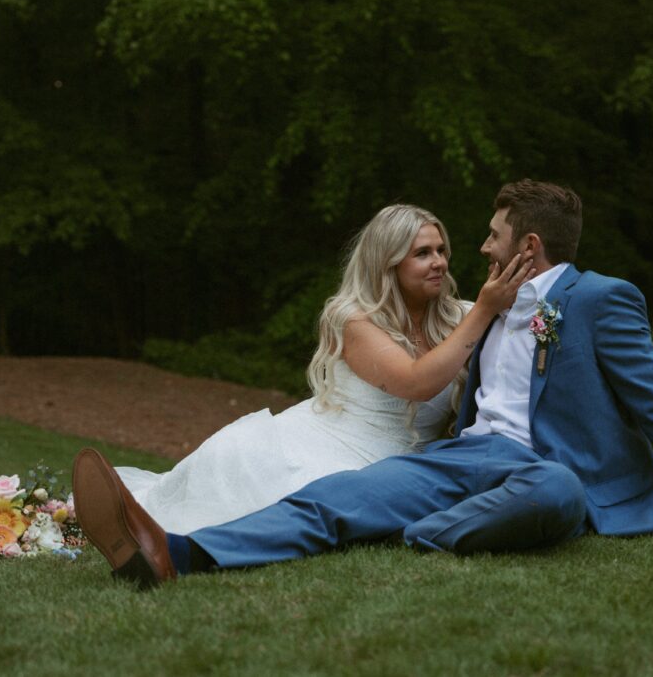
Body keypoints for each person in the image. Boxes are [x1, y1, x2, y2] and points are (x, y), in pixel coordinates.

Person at [72, 179, 653, 589]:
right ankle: (176, 553)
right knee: (333, 498)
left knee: (558, 487)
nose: (480, 248)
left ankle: (423, 535)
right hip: (461, 458)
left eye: (493, 236)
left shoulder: (601, 299)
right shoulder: (482, 309)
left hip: (545, 471)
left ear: (528, 247)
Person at [95, 204, 533, 540]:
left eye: (441, 251)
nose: (439, 262)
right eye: (422, 254)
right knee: (243, 504)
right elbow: (417, 383)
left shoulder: (460, 316)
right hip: (323, 445)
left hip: (404, 467)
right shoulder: (355, 320)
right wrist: (485, 310)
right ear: (388, 263)